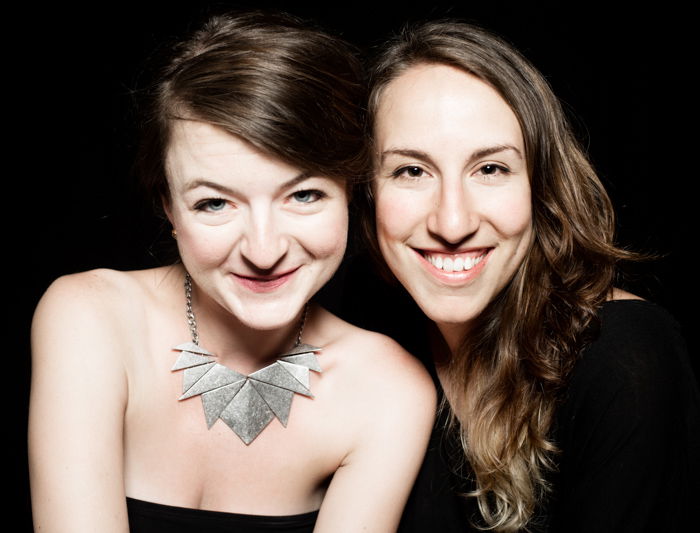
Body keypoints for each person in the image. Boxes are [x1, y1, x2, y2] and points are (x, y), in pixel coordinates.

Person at [29, 12, 436, 533]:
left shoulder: (388, 390)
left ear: (351, 194)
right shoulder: (90, 318)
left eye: (304, 195)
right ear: (169, 208)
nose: (263, 251)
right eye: (215, 203)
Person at [357, 20, 699, 532]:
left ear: (541, 188)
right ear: (367, 193)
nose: (453, 222)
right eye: (411, 171)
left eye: (490, 169)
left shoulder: (623, 359)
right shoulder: (362, 341)